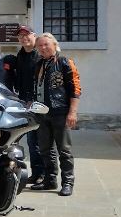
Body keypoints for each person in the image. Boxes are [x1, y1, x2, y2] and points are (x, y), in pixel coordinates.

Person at [31, 33, 81, 197]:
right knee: (45, 149)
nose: (43, 48)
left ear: (54, 45)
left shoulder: (65, 62)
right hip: (42, 113)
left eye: (46, 44)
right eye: (40, 45)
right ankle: (50, 180)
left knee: (64, 150)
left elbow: (75, 88)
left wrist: (72, 112)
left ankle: (68, 182)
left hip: (60, 112)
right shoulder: (39, 64)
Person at [9, 25, 48, 186]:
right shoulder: (21, 55)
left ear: (34, 36)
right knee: (28, 140)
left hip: (37, 103)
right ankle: (36, 172)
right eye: (20, 36)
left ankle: (43, 174)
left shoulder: (39, 56)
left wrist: (33, 99)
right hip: (23, 102)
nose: (24, 38)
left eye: (26, 35)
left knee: (38, 140)